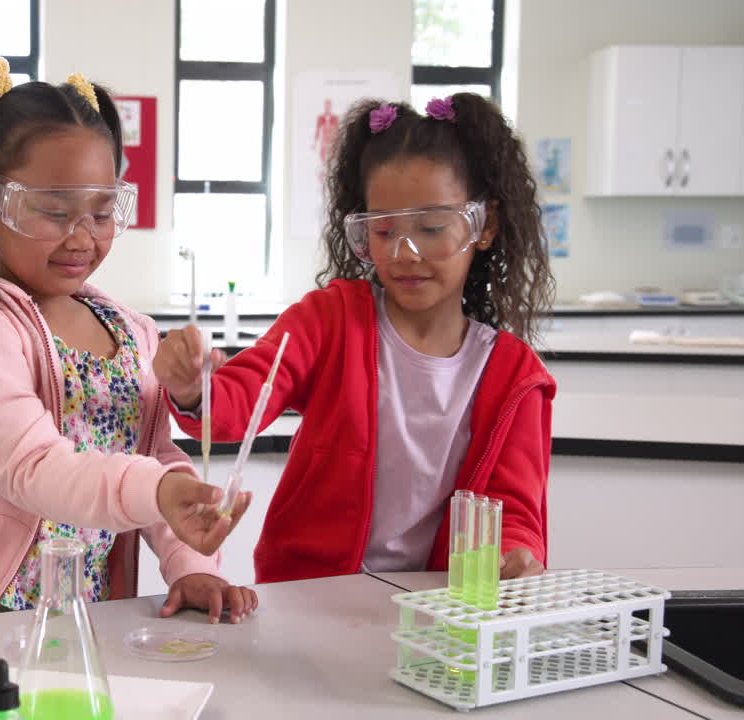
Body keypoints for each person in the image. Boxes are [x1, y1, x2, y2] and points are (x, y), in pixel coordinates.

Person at [0, 57, 257, 623]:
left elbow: (154, 459)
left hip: (70, 618)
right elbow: (33, 466)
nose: (82, 237)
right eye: (53, 210)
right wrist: (160, 488)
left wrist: (191, 561)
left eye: (101, 211)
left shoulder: (131, 331)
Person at [155, 94, 556, 584]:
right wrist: (196, 391)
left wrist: (514, 554)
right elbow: (246, 394)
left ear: (484, 224)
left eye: (431, 229)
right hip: (312, 594)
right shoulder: (332, 320)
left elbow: (513, 508)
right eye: (383, 232)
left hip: (435, 607)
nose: (406, 254)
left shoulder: (514, 376)